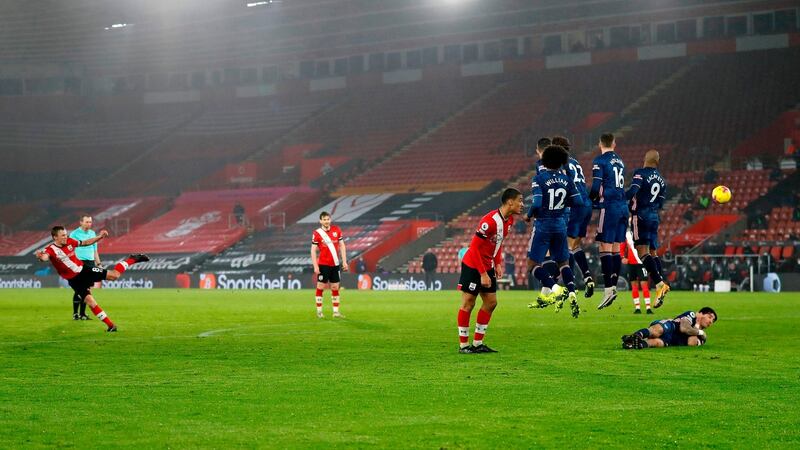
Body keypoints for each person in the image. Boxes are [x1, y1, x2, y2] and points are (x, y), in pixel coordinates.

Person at [35, 226, 150, 332]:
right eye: (63, 235)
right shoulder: (50, 249)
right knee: (90, 302)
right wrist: (41, 257)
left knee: (114, 275)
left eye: (66, 234)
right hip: (74, 281)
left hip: (85, 270)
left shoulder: (70, 241)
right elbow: (45, 257)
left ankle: (132, 259)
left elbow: (85, 242)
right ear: (55, 237)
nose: (66, 237)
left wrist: (99, 237)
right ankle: (111, 326)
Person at [456, 188, 524, 354]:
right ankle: (464, 346)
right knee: (468, 303)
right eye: (520, 200)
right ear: (510, 202)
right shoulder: (490, 221)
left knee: (491, 302)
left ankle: (478, 343)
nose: (522, 204)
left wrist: (498, 263)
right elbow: (474, 248)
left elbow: (497, 243)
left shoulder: (509, 221)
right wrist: (483, 274)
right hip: (473, 265)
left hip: (487, 265)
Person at [525, 145, 583, 318]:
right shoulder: (567, 179)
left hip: (543, 225)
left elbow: (536, 204)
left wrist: (528, 216)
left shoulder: (539, 178)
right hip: (560, 224)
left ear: (545, 160)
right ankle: (572, 293)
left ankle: (557, 289)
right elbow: (578, 201)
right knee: (563, 263)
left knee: (532, 265)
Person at [552, 135, 595, 298]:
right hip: (586, 205)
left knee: (567, 247)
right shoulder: (575, 162)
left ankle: (568, 287)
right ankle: (588, 278)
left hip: (574, 206)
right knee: (576, 246)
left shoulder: (558, 164)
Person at [626, 149, 670, 307]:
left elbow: (632, 191)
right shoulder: (662, 181)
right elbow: (662, 204)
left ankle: (659, 284)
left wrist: (619, 198)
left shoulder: (640, 173)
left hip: (641, 215)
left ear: (645, 159)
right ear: (657, 162)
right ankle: (662, 284)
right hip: (654, 216)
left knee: (641, 251)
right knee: (653, 252)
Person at [590, 133, 628, 309]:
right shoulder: (620, 161)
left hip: (610, 206)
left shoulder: (600, 161)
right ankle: (613, 286)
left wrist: (590, 201)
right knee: (615, 248)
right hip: (622, 207)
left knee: (604, 247)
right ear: (614, 143)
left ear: (600, 143)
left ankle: (607, 290)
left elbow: (597, 186)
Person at [622, 307, 717, 349]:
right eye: (709, 317)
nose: (710, 322)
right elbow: (684, 328)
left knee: (657, 343)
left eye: (713, 321)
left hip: (671, 340)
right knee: (658, 331)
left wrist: (697, 327)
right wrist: (700, 332)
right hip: (671, 326)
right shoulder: (691, 315)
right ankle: (636, 336)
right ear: (700, 313)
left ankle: (632, 345)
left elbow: (691, 343)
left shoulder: (702, 337)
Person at [311, 211, 348, 318]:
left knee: (335, 287)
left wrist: (344, 261)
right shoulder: (317, 233)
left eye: (328, 219)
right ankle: (319, 311)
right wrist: (315, 265)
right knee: (321, 286)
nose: (326, 221)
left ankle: (336, 312)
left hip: (335, 264)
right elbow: (313, 250)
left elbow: (342, 246)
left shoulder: (337, 230)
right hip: (323, 264)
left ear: (330, 220)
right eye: (324, 219)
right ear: (320, 221)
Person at [68, 214, 103, 320]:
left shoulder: (92, 233)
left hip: (90, 263)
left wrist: (98, 263)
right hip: (79, 263)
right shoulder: (74, 234)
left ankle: (82, 314)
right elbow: (70, 249)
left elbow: (95, 250)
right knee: (80, 289)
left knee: (86, 289)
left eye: (90, 222)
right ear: (81, 222)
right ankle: (75, 313)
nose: (89, 224)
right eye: (87, 222)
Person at [620, 231, 652, 314]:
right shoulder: (627, 234)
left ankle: (648, 308)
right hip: (631, 264)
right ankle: (637, 308)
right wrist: (622, 257)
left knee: (644, 285)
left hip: (641, 263)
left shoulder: (643, 233)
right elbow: (622, 247)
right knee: (634, 285)